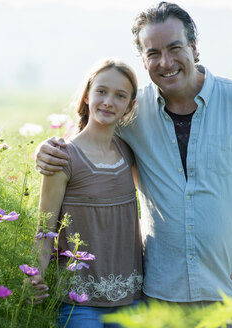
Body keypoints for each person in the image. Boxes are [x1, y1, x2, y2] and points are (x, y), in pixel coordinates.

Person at [35, 2, 232, 304]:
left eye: (174, 48)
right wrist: (51, 149)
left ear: (194, 47)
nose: (165, 62)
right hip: (159, 301)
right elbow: (92, 138)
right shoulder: (133, 112)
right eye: (153, 53)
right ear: (143, 60)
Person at [30, 58, 143, 327]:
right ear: (87, 96)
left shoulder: (128, 153)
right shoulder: (63, 158)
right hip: (79, 302)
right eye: (101, 91)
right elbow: (44, 229)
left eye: (120, 96)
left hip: (131, 300)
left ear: (129, 106)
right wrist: (34, 276)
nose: (108, 101)